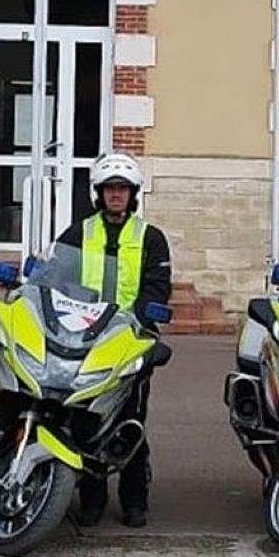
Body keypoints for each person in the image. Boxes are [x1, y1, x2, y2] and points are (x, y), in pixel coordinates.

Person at [53, 153, 173, 529]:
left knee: (130, 420)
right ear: (99, 194)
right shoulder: (78, 233)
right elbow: (56, 279)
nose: (116, 196)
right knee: (85, 418)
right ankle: (91, 497)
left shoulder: (150, 238)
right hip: (84, 339)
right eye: (109, 189)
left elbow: (157, 290)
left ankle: (135, 500)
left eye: (122, 189)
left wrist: (142, 320)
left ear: (133, 194)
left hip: (128, 342)